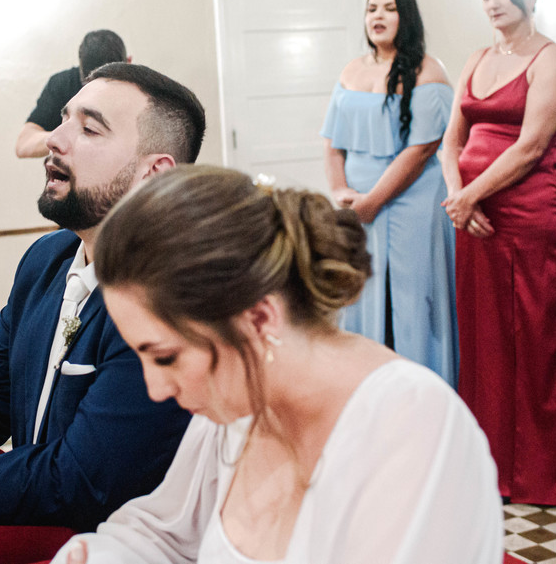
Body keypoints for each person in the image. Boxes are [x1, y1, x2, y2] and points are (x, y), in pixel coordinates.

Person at [50, 166, 502, 564]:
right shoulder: (238, 402)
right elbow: (161, 535)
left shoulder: (411, 425)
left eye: (166, 356)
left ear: (260, 319)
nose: (156, 389)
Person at [0, 63, 204, 534]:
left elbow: (76, 481)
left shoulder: (169, 298)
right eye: (63, 119)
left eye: (89, 129)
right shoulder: (46, 259)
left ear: (153, 173)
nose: (55, 139)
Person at [441, 0, 556, 506]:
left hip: (530, 218)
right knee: (484, 345)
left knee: (537, 346)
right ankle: (489, 467)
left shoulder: (554, 59)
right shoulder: (476, 58)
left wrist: (469, 196)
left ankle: (539, 477)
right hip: (474, 222)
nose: (493, 3)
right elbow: (451, 142)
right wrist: (459, 197)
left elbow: (530, 146)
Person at [320, 0, 458, 386]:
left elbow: (421, 148)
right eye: (371, 9)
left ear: (406, 17)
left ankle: (421, 393)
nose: (377, 16)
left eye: (389, 8)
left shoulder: (429, 71)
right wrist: (340, 191)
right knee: (361, 296)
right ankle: (369, 393)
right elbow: (332, 143)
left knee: (413, 303)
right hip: (358, 206)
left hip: (411, 202)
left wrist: (374, 200)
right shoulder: (351, 71)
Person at [15, 29, 130, 158]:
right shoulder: (62, 84)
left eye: (109, 83)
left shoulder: (140, 90)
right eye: (90, 84)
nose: (98, 92)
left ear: (129, 63)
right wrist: (67, 134)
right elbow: (24, 144)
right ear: (81, 70)